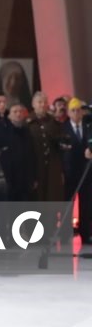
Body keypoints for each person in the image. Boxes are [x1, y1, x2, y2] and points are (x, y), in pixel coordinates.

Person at [63, 98, 92, 243]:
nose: (76, 113)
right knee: (68, 203)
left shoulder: (88, 127)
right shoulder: (63, 128)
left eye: (79, 110)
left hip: (86, 172)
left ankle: (85, 233)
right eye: (73, 110)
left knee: (86, 203)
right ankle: (65, 234)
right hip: (70, 172)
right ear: (68, 112)